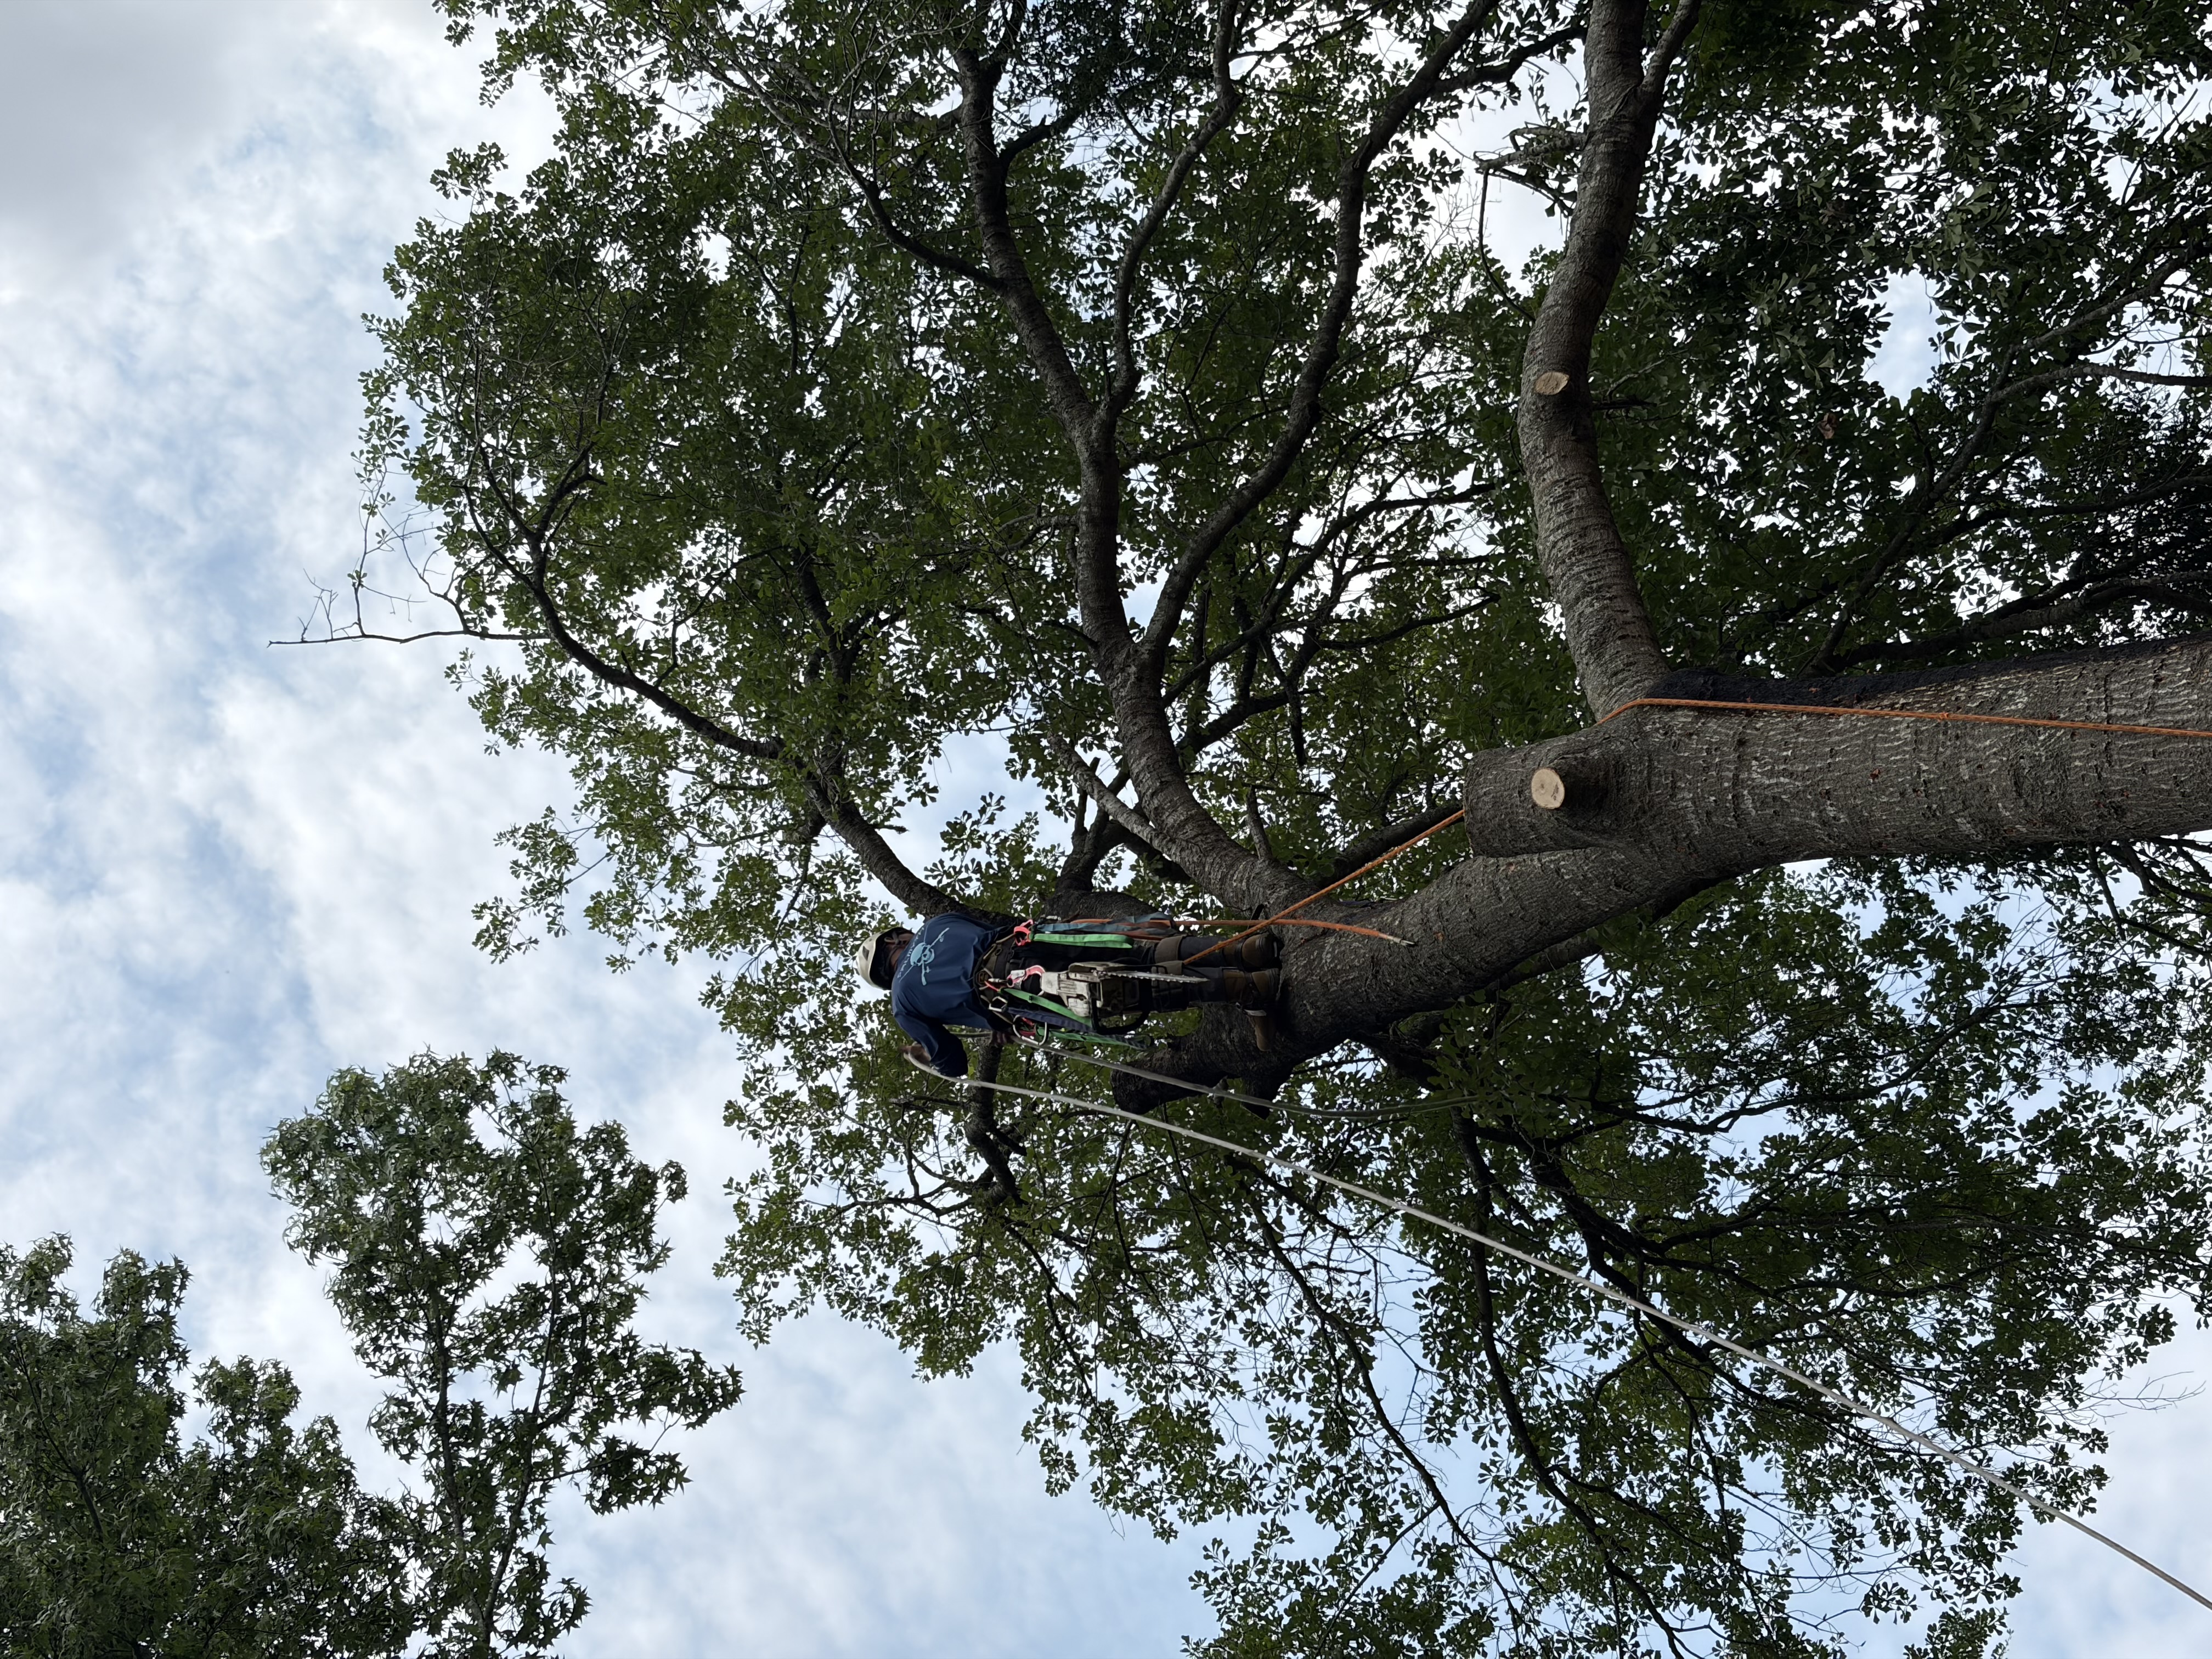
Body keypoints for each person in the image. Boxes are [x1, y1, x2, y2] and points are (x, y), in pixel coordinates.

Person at [856, 913, 1280, 1076]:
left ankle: (1246, 986)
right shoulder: (937, 923)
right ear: (896, 939)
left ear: (885, 977)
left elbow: (954, 1063)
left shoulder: (902, 1002)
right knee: (1139, 951)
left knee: (1133, 989)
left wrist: (924, 1055)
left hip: (1021, 989)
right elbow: (977, 940)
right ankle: (1245, 949)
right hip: (1028, 942)